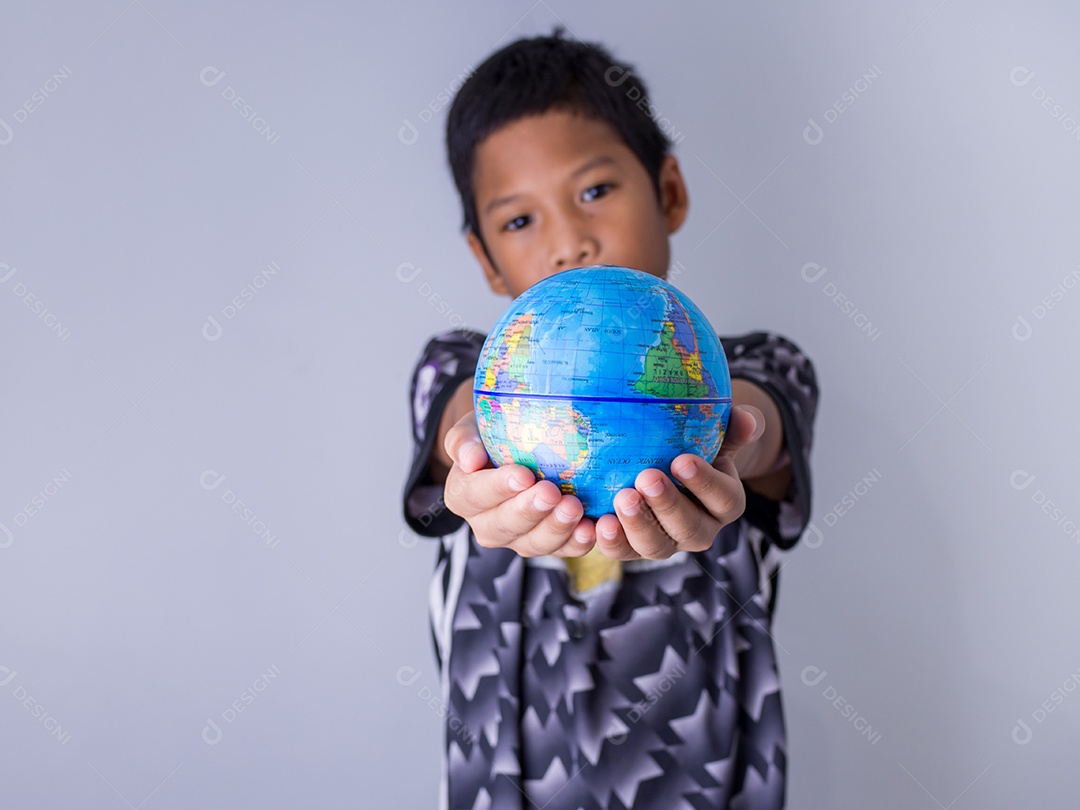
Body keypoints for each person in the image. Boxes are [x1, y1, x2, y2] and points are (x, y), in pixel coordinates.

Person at [403, 29, 819, 810]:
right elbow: (453, 405)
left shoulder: (751, 371)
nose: (569, 243)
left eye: (594, 191)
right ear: (486, 260)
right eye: (519, 222)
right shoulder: (465, 373)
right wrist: (475, 451)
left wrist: (737, 434)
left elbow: (765, 417)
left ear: (669, 193)